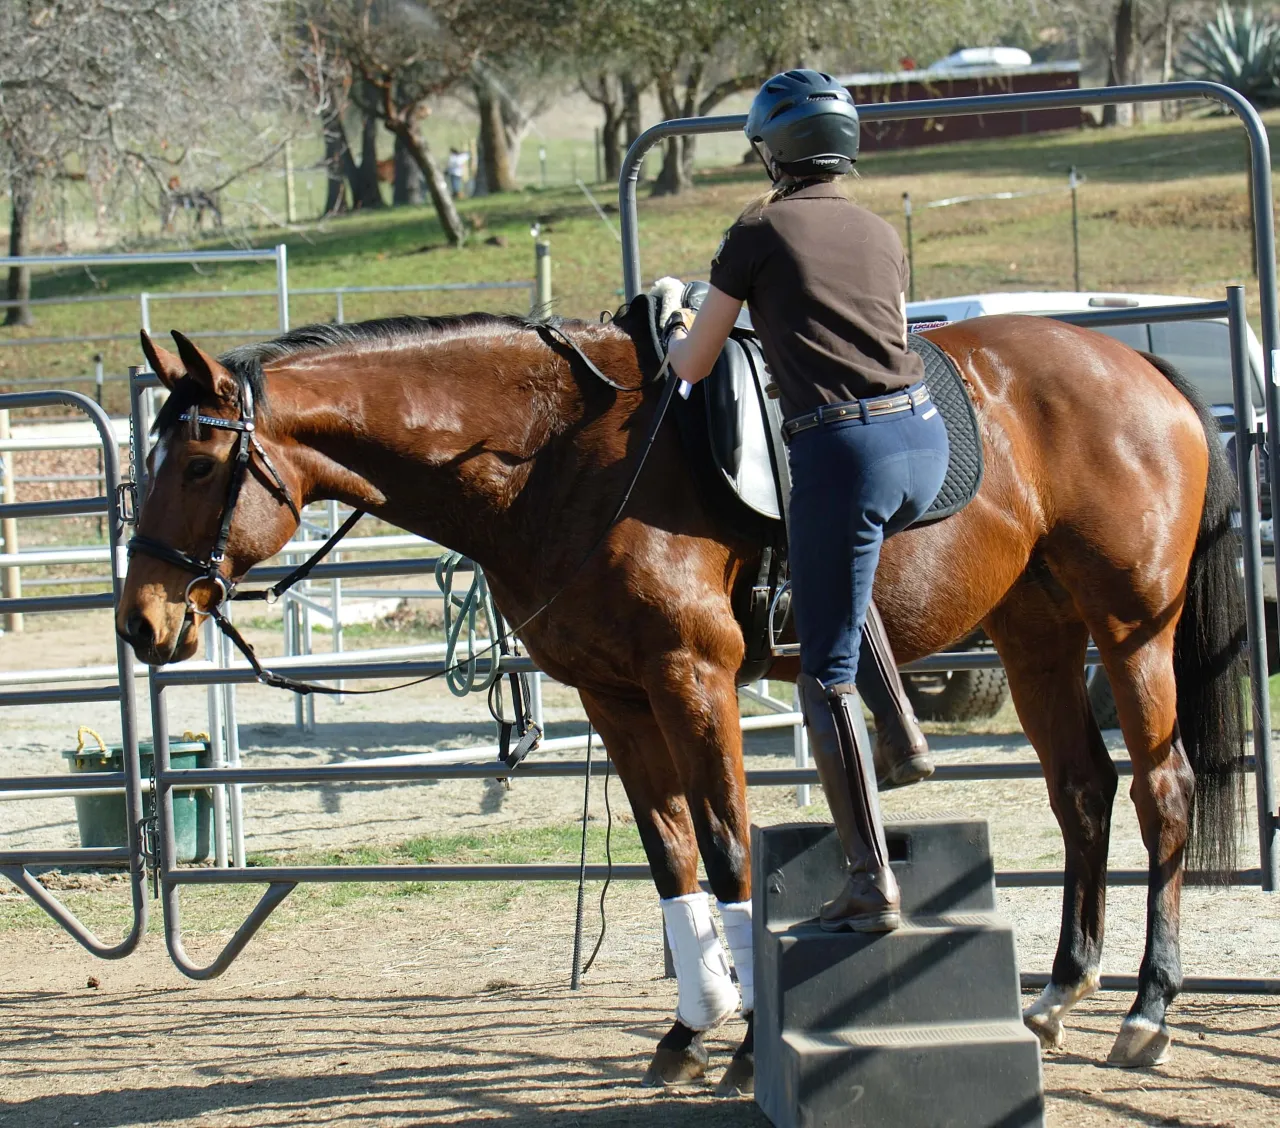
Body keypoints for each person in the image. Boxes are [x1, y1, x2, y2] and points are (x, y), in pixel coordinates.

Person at [664, 69, 949, 933]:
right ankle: (901, 735)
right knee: (836, 573)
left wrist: (678, 322)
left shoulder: (757, 228)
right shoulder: (877, 228)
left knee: (821, 680)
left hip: (844, 452)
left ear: (773, 150)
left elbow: (696, 365)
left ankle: (870, 883)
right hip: (925, 444)